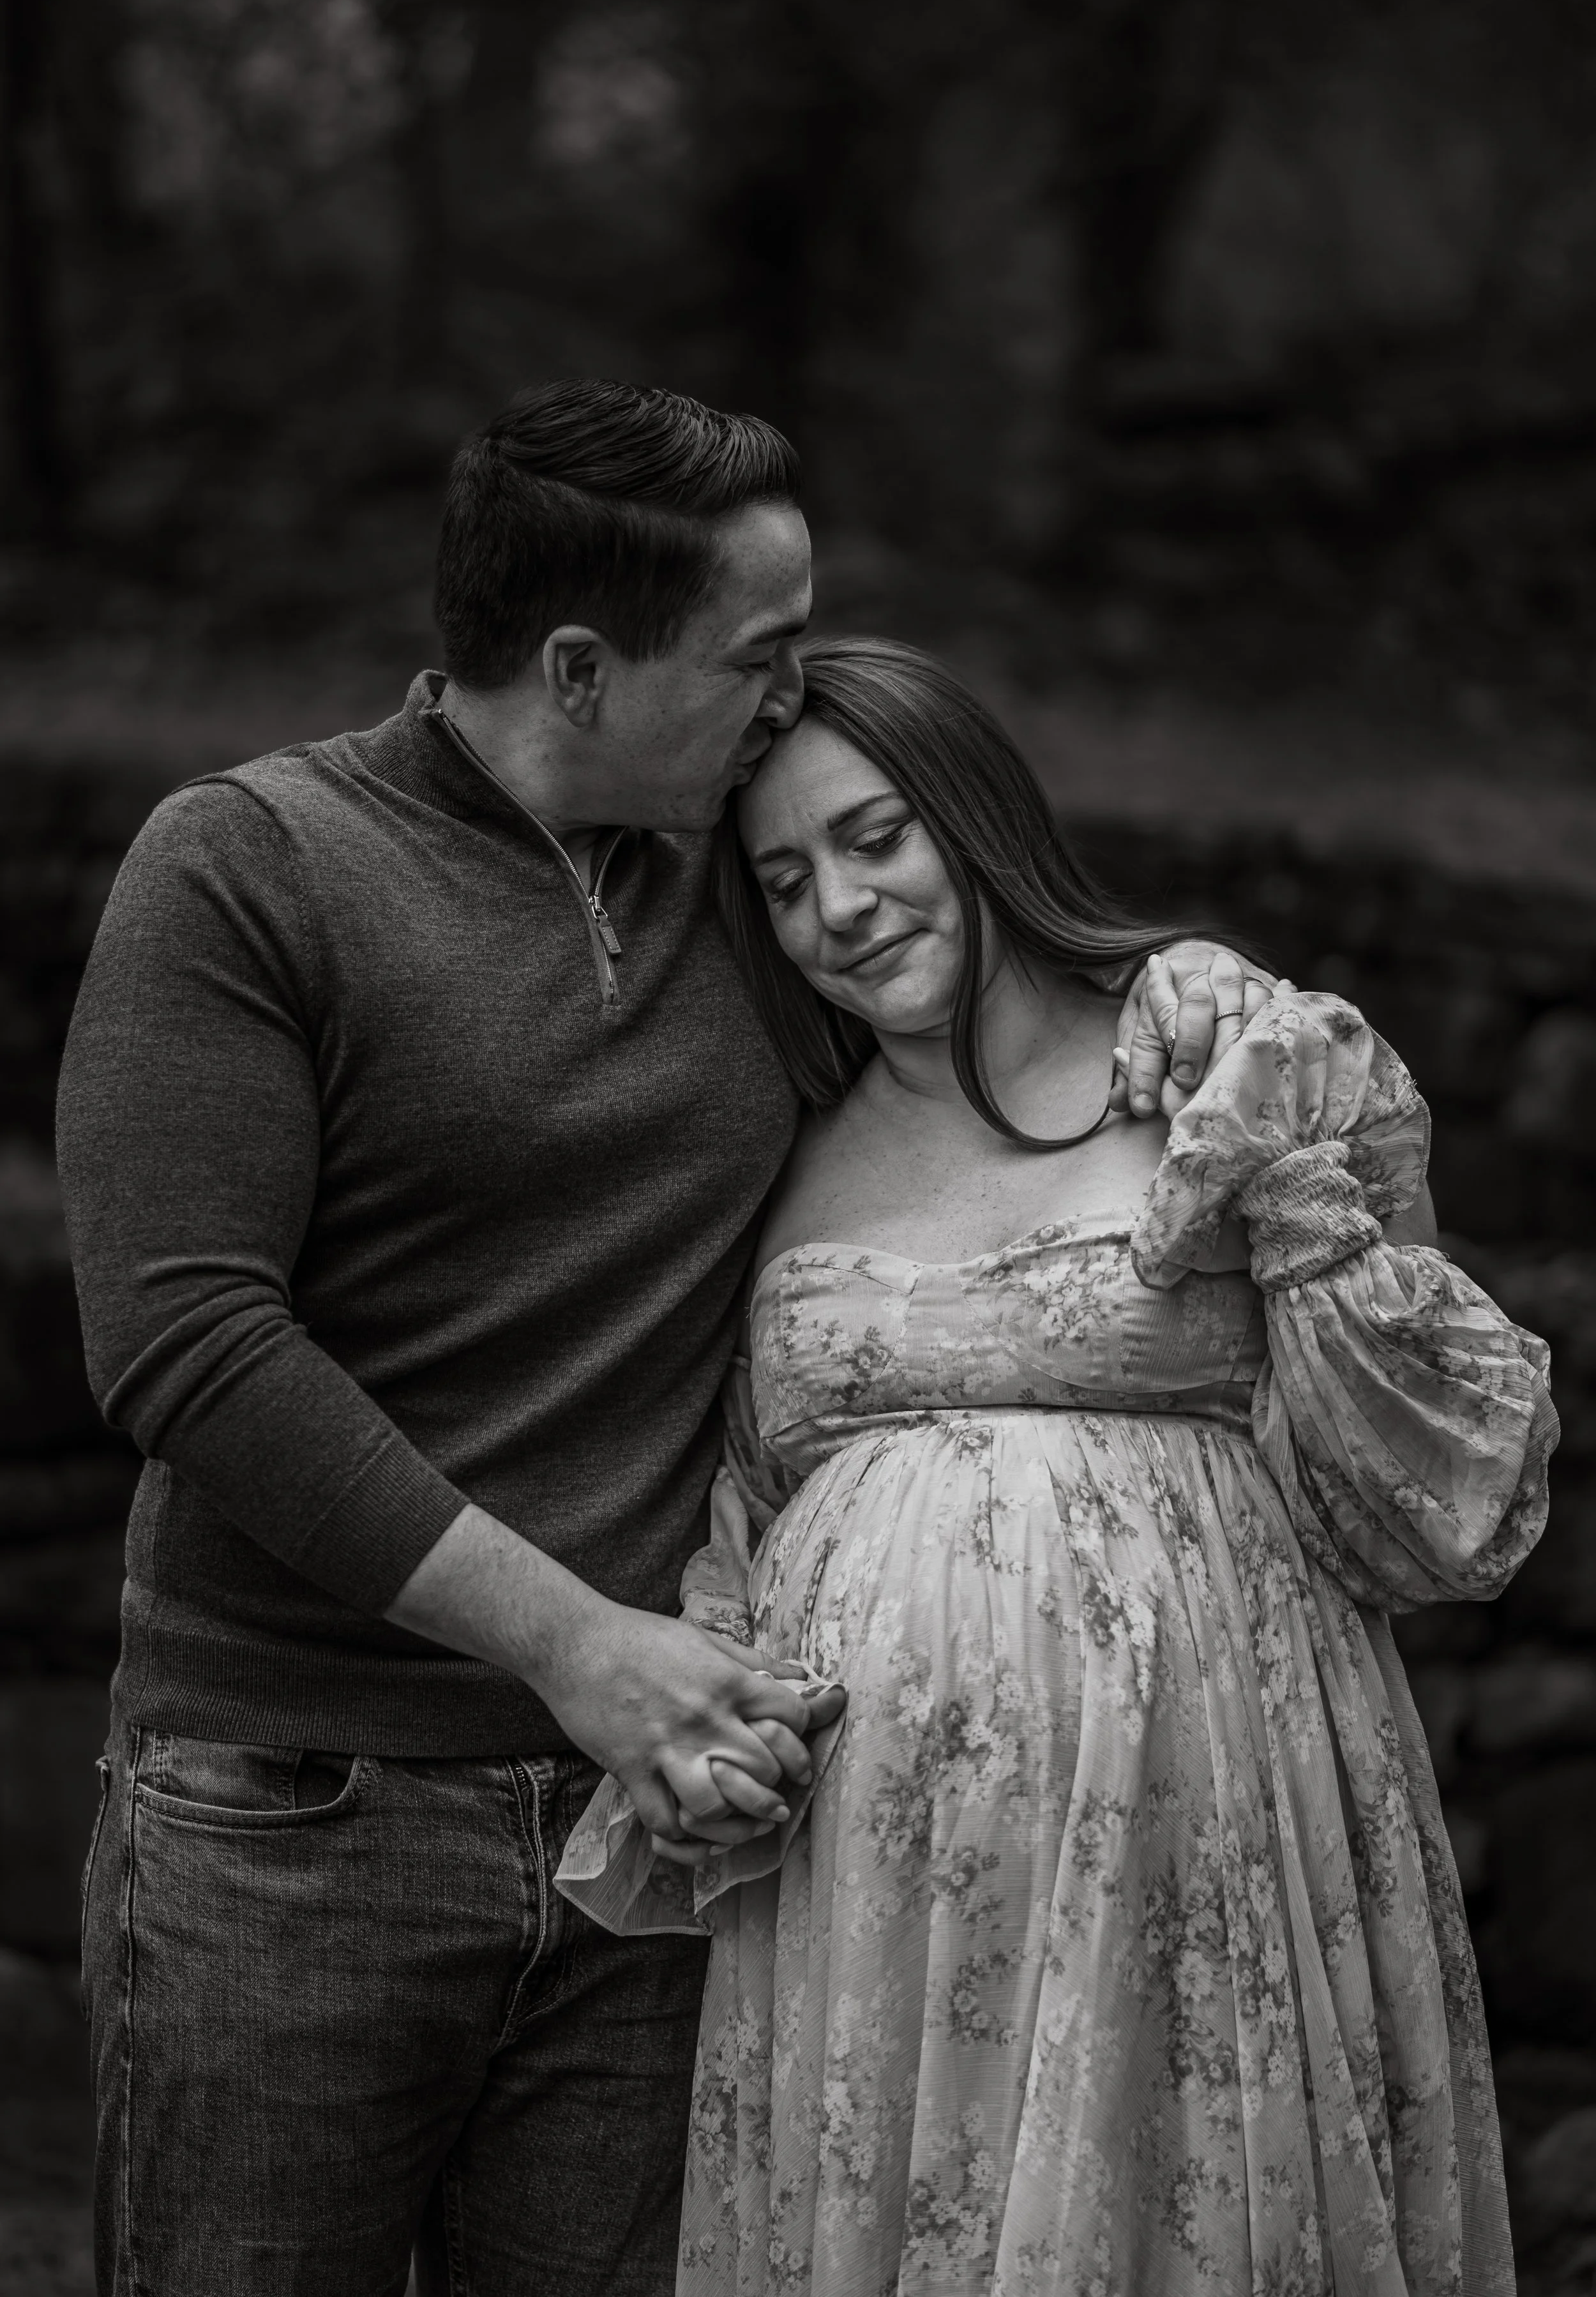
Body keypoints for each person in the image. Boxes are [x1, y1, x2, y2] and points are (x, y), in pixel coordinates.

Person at [56, 382, 1236, 2296]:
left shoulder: (749, 891)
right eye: (754, 659)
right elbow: (186, 1343)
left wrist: (1172, 1013)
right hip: (299, 1819)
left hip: (657, 1847)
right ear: (582, 667)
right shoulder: (245, 871)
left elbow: (976, 987)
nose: (788, 700)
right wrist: (581, 1649)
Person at [556, 636, 1556, 2297]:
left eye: (875, 837)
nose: (840, 908)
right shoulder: (772, 1144)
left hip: (1204, 1828)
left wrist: (1284, 1175)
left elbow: (1437, 1494)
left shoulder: (1227, 1060)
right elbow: (745, 1510)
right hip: (872, 1899)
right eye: (786, 878)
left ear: (975, 814)